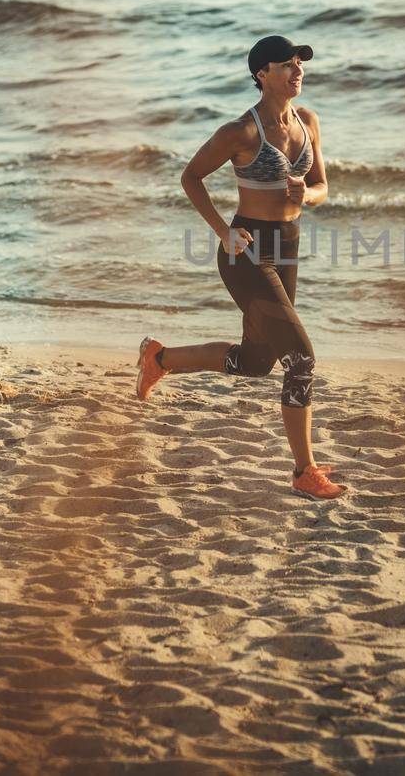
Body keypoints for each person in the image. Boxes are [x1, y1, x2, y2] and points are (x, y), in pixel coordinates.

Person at [134, 35, 344, 500]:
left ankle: (159, 358)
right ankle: (304, 472)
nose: (297, 71)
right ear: (260, 75)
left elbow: (322, 186)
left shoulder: (308, 121)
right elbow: (190, 177)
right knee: (301, 360)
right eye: (285, 65)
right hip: (245, 250)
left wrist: (303, 195)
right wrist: (221, 232)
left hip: (286, 246)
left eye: (299, 64)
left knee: (256, 361)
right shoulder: (241, 132)